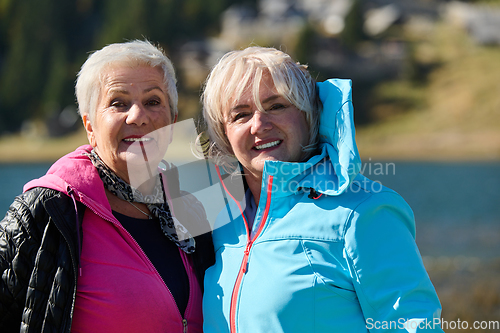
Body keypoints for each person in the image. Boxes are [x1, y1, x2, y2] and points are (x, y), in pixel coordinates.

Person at [200, 46, 444, 332]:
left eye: (276, 106)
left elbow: (415, 326)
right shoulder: (215, 214)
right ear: (224, 134)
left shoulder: (364, 210)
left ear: (308, 115)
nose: (259, 125)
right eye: (240, 115)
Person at [0, 40, 214, 332]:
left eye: (153, 101)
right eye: (118, 103)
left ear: (172, 120)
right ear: (90, 126)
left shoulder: (196, 196)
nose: (138, 116)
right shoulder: (49, 207)